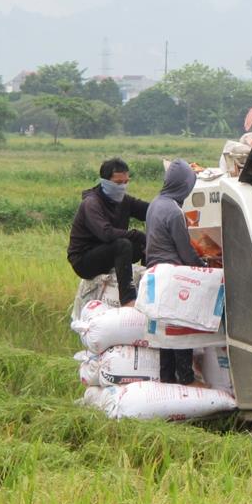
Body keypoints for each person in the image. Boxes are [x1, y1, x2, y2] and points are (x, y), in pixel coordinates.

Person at [145, 159, 207, 387]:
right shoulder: (173, 211)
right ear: (184, 186)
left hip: (156, 273)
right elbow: (185, 252)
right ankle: (187, 380)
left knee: (166, 332)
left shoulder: (156, 204)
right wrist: (204, 266)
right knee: (181, 327)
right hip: (172, 274)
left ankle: (167, 379)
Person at [67, 158, 149, 306]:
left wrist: (167, 206)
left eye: (126, 182)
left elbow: (148, 211)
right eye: (118, 183)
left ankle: (148, 287)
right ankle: (128, 300)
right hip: (84, 259)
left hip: (108, 252)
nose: (123, 187)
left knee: (147, 242)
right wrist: (136, 234)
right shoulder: (92, 203)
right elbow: (106, 233)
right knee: (123, 244)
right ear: (105, 181)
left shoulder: (124, 200)